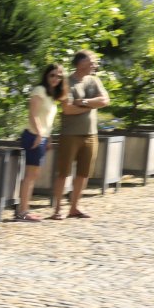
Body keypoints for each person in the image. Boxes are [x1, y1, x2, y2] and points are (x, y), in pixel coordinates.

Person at [49, 49, 110, 220]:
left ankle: (74, 208)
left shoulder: (94, 80)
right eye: (91, 61)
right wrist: (92, 105)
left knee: (84, 173)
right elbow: (67, 109)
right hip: (70, 134)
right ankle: (57, 209)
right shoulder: (67, 82)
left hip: (91, 134)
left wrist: (83, 102)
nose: (94, 64)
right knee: (64, 173)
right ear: (80, 63)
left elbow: (105, 100)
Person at [14, 64, 66, 222]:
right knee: (30, 175)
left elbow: (46, 120)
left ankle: (24, 209)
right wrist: (39, 134)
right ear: (46, 75)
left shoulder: (51, 95)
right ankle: (23, 212)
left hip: (41, 137)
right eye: (52, 75)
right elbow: (33, 114)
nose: (55, 79)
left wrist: (47, 138)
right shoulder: (39, 90)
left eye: (59, 76)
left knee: (33, 175)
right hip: (33, 136)